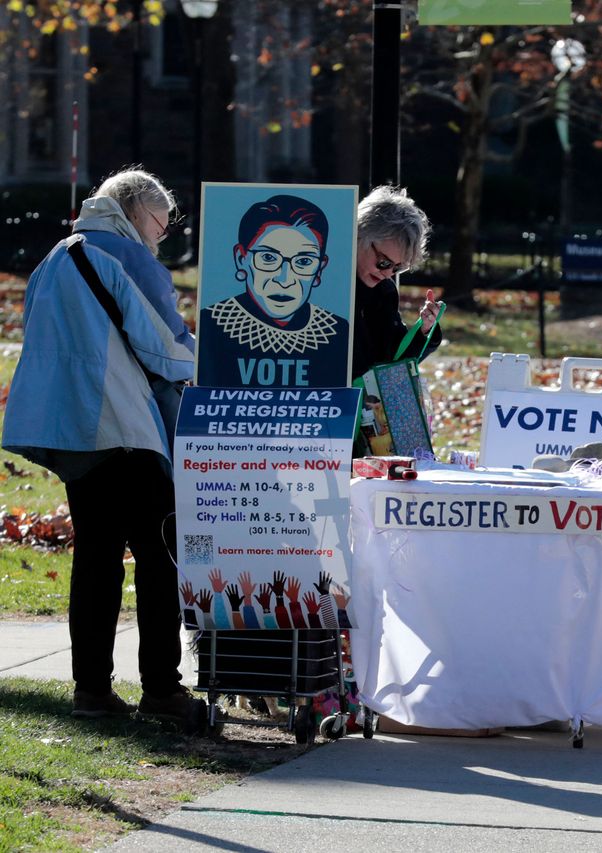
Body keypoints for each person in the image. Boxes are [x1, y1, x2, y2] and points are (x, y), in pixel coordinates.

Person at [2, 168, 202, 721]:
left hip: (70, 430)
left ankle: (91, 689)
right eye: (161, 225)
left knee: (95, 559)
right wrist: (202, 360)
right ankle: (162, 689)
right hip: (124, 425)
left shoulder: (56, 256)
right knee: (159, 558)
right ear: (138, 213)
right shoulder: (128, 255)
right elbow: (166, 347)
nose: (162, 237)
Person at [198, 194, 349, 388]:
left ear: (320, 268)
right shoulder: (211, 326)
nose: (284, 279)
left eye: (303, 262)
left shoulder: (336, 332)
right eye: (268, 258)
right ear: (241, 258)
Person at [350, 185, 443, 382]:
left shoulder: (383, 291)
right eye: (383, 262)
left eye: (397, 268)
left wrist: (424, 330)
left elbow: (395, 361)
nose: (387, 273)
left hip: (366, 405)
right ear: (359, 237)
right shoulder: (326, 281)